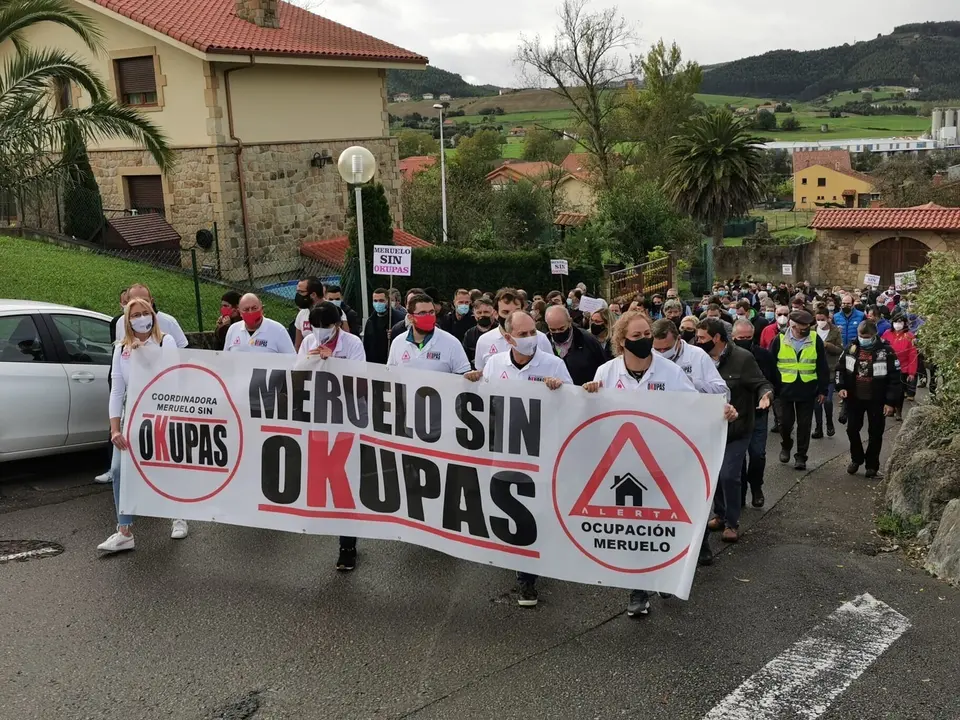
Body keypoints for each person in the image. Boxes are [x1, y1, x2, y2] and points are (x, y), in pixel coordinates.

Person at [464, 310, 571, 607]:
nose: (530, 338)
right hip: (504, 452)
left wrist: (561, 391)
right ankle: (522, 561)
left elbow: (575, 406)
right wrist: (471, 382)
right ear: (508, 337)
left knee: (533, 512)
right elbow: (482, 403)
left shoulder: (553, 365)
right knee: (510, 510)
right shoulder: (495, 364)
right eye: (522, 335)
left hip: (540, 454)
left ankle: (527, 579)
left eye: (532, 331)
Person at [97, 297, 187, 553]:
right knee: (118, 470)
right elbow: (117, 389)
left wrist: (144, 355)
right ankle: (124, 531)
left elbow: (170, 378)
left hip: (161, 415)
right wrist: (115, 428)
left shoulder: (165, 341)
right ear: (127, 320)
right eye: (134, 315)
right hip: (132, 418)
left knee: (167, 468)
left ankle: (178, 515)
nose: (140, 318)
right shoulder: (121, 348)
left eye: (144, 313)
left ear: (153, 315)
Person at [298, 301, 367, 570]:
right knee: (323, 477)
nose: (320, 331)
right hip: (319, 419)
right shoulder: (307, 342)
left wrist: (334, 361)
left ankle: (347, 545)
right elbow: (296, 375)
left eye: (325, 326)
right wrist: (310, 359)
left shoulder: (352, 344)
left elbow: (362, 379)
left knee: (344, 479)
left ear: (337, 324)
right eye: (315, 326)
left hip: (348, 420)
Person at [698, 318, 773, 542]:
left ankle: (732, 522)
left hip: (737, 428)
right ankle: (720, 514)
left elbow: (762, 383)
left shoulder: (742, 358)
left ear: (717, 338)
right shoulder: (698, 359)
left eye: (702, 338)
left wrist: (765, 395)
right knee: (714, 476)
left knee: (729, 475)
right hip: (709, 429)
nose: (697, 341)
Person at [836, 320, 901, 477]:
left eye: (866, 336)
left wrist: (890, 402)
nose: (863, 339)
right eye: (860, 335)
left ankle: (872, 466)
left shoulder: (887, 351)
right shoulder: (851, 349)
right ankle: (856, 459)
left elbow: (895, 379)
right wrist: (842, 387)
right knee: (852, 429)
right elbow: (840, 369)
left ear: (874, 335)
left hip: (877, 399)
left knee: (876, 433)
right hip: (854, 398)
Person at [769, 309, 829, 471]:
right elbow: (770, 365)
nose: (805, 332)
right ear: (792, 325)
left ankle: (801, 456)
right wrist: (771, 388)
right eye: (801, 329)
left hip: (807, 390)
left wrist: (823, 390)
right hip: (783, 391)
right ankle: (786, 445)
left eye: (807, 328)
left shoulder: (815, 339)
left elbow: (822, 366)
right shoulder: (779, 340)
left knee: (804, 425)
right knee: (785, 424)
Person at [731, 319, 776, 508]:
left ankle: (756, 486)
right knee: (737, 457)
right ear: (733, 337)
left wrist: (768, 396)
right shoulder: (727, 358)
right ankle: (738, 494)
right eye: (741, 338)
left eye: (748, 338)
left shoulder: (763, 355)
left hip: (758, 413)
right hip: (736, 415)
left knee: (757, 455)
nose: (745, 341)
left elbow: (774, 381)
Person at [387, 292, 471, 374]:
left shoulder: (452, 343)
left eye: (431, 312)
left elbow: (463, 377)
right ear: (410, 317)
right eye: (422, 313)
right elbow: (390, 375)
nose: (428, 316)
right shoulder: (398, 343)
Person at [475, 288, 552, 372]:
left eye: (516, 311)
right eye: (506, 312)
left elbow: (552, 368)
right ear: (496, 314)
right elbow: (481, 373)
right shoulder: (484, 340)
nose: (511, 317)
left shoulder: (540, 339)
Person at [651, 319, 729, 396]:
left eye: (667, 349)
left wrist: (691, 382)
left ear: (678, 339)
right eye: (657, 349)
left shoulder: (698, 355)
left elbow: (724, 392)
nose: (662, 352)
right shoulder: (648, 357)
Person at [544, 305, 607, 385]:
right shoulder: (544, 343)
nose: (557, 332)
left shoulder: (588, 340)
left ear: (570, 321)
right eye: (553, 330)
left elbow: (604, 369)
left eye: (561, 328)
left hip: (585, 393)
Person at [114, 284, 188, 349]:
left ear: (151, 302)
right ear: (128, 302)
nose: (140, 304)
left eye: (145, 301)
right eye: (135, 301)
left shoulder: (169, 322)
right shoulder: (121, 322)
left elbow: (183, 350)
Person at [224, 293, 297, 354]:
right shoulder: (233, 329)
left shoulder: (278, 330)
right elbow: (226, 359)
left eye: (254, 308)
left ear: (262, 309)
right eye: (246, 309)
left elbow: (291, 360)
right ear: (240, 312)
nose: (251, 312)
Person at [812, 307, 843, 438]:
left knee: (828, 400)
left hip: (830, 370)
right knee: (816, 402)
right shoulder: (811, 330)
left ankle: (829, 422)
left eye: (822, 319)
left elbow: (840, 349)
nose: (820, 322)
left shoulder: (835, 331)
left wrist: (828, 345)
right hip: (814, 370)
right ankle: (818, 427)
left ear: (828, 318)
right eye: (818, 319)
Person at [881, 312, 918, 421]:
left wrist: (912, 372)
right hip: (887, 366)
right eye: (896, 322)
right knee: (886, 388)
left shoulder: (909, 336)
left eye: (900, 322)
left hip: (902, 368)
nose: (898, 324)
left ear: (904, 323)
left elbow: (913, 355)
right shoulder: (887, 334)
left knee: (900, 391)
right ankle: (889, 407)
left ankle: (899, 411)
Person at [363, 287, 405, 364]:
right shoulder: (370, 321)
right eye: (375, 301)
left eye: (381, 301)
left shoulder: (400, 318)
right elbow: (366, 346)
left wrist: (394, 334)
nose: (378, 303)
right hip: (374, 365)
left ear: (388, 301)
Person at [463, 296, 496, 370]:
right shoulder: (469, 334)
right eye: (479, 312)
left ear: (493, 313)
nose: (482, 315)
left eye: (486, 312)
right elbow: (465, 359)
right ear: (474, 315)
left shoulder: (500, 332)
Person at [293, 276, 326, 351]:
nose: (298, 295)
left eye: (301, 292)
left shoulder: (333, 311)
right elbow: (298, 346)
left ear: (313, 295)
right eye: (297, 292)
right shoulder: (302, 313)